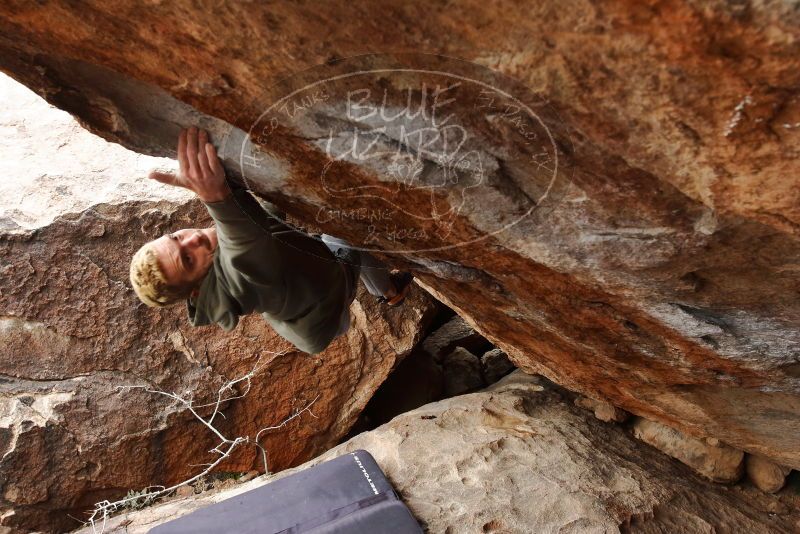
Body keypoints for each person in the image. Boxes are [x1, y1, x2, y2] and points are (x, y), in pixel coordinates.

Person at [129, 127, 411, 354]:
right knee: (349, 226)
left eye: (177, 237)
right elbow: (246, 251)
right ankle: (388, 290)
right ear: (195, 290)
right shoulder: (240, 284)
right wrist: (216, 197)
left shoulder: (218, 264)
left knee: (329, 257)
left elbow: (261, 227)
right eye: (187, 260)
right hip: (330, 299)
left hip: (307, 316)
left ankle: (382, 295)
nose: (194, 240)